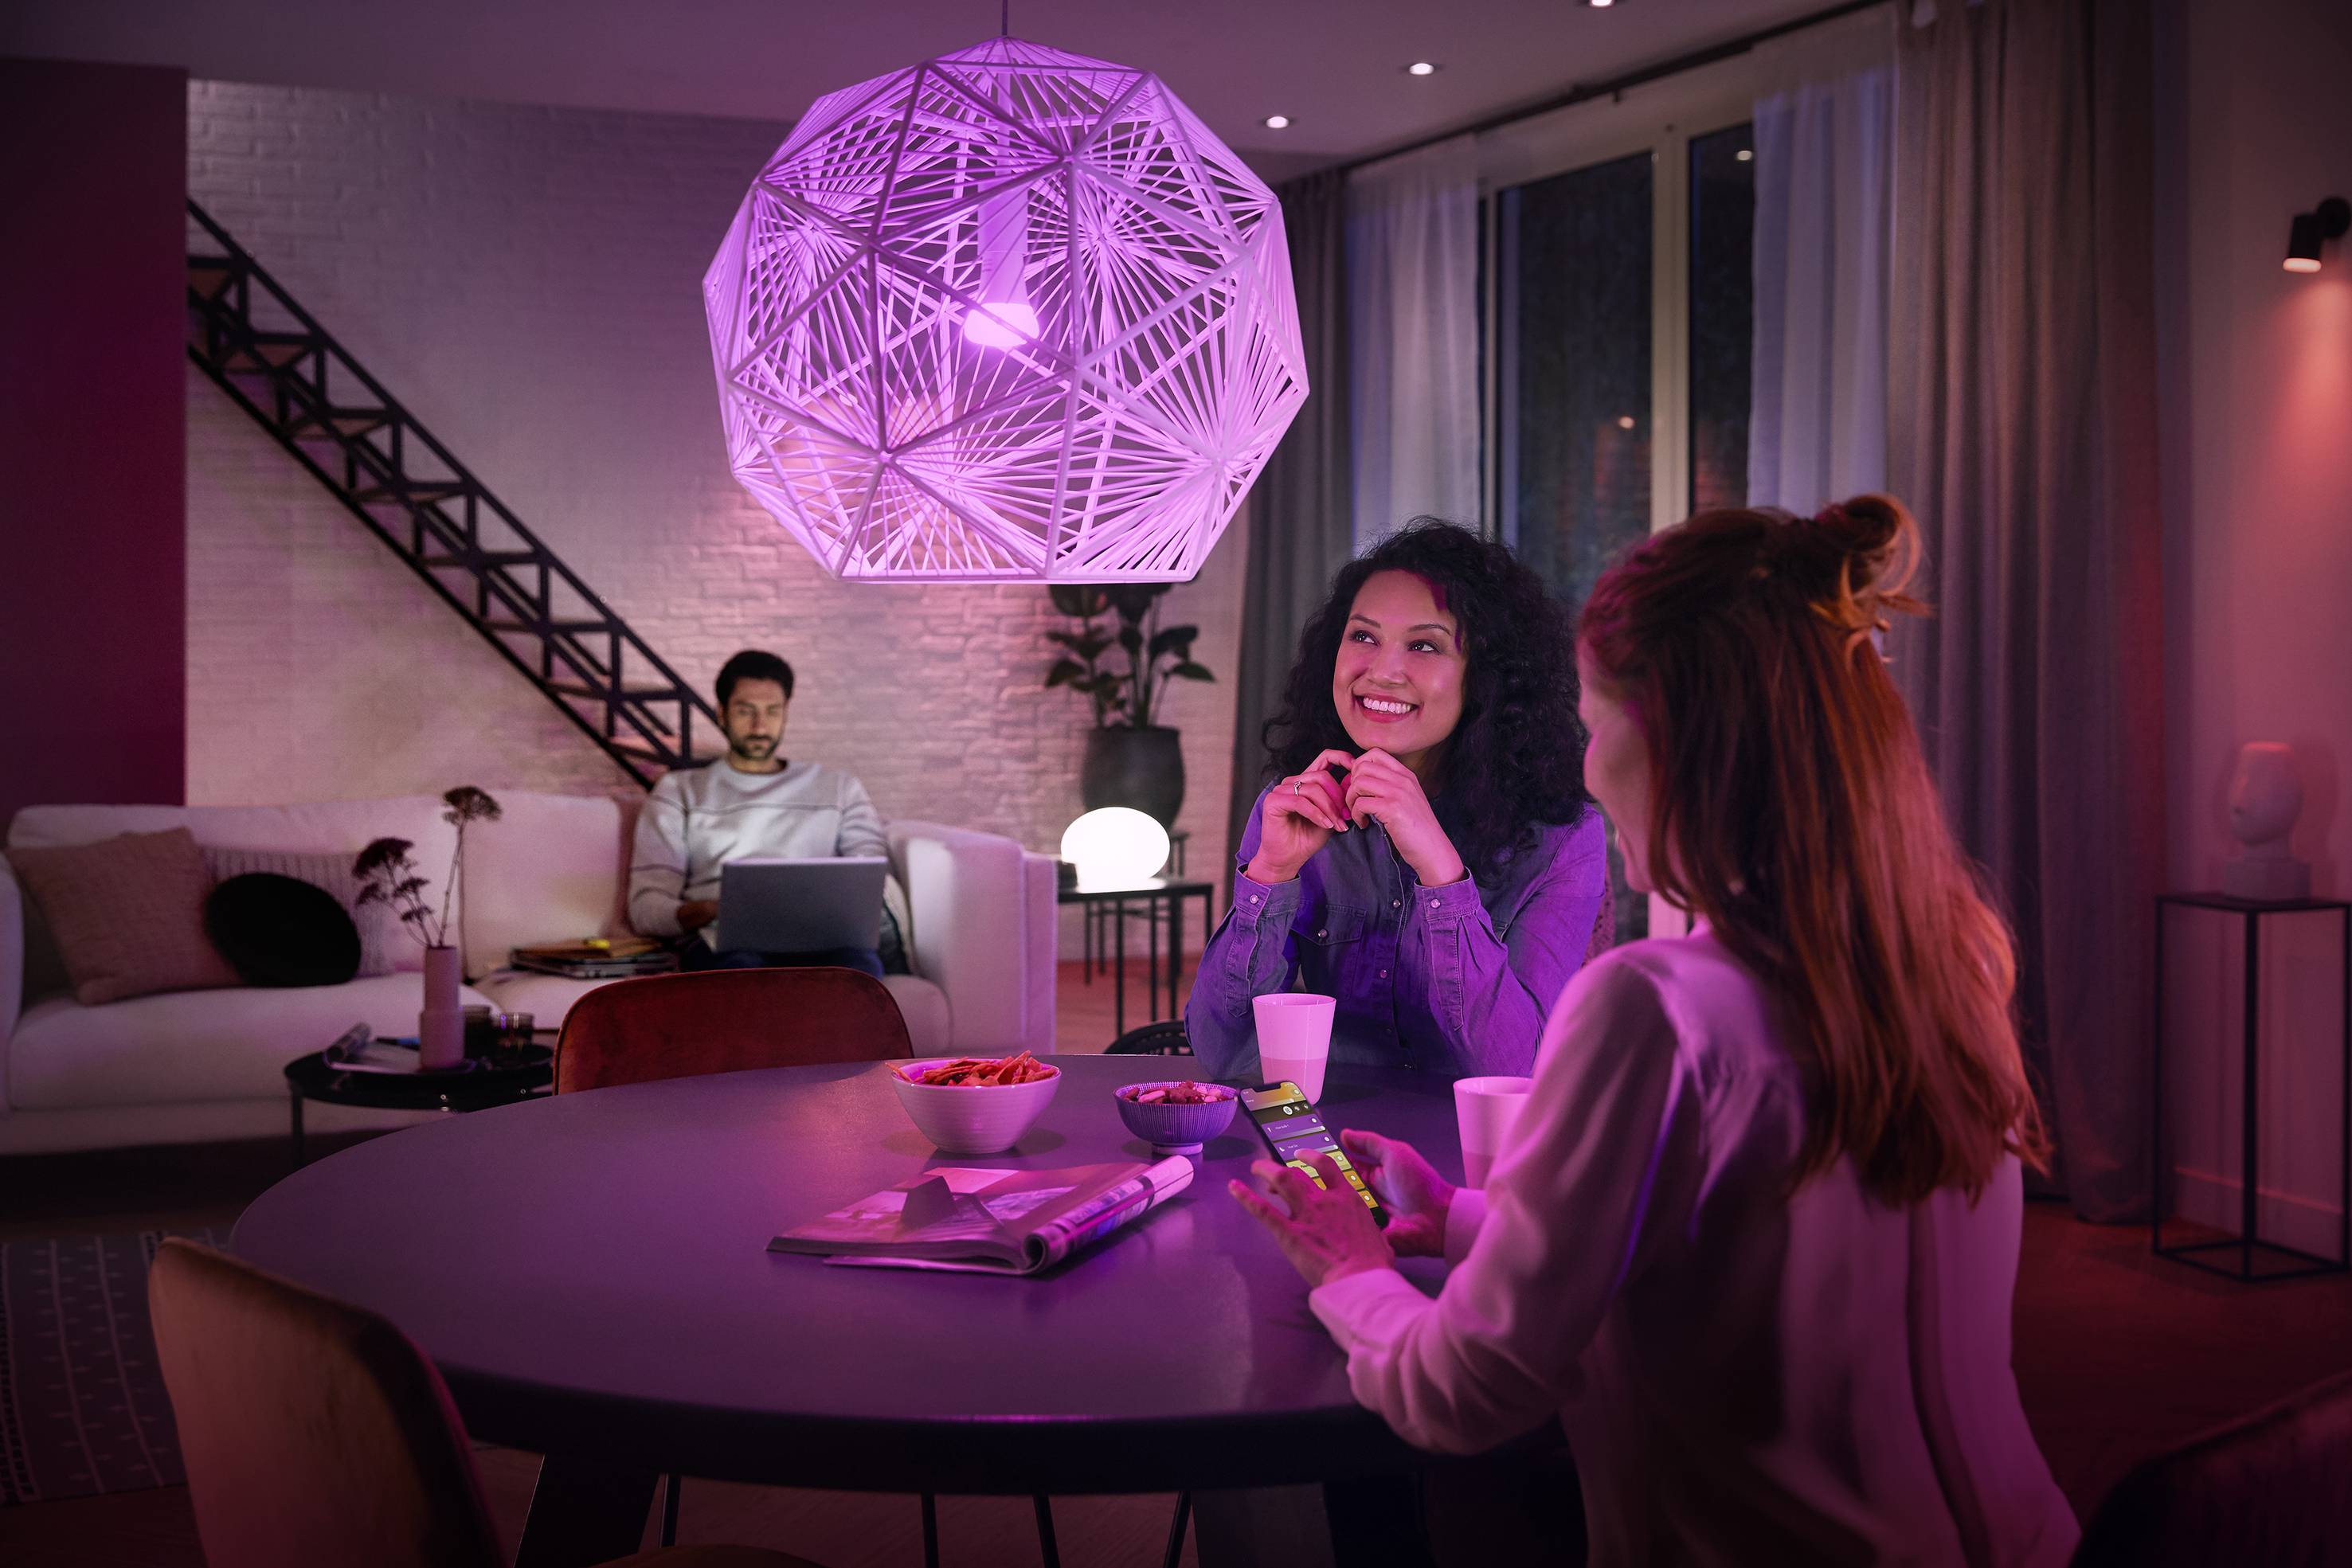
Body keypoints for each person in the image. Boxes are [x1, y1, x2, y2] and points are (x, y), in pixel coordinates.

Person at [1233, 497, 2081, 1566]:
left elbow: (1464, 1394)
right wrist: (1458, 1217)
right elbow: (1742, 1245)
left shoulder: (1653, 1005)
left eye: (1597, 724)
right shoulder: (1954, 963)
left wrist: (1350, 1270)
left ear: (1673, 739)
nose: (1585, 764)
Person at [1185, 521, 1608, 1081]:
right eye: (1362, 636)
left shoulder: (1562, 837)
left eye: (1424, 645)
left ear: (1485, 676)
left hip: (1480, 1150)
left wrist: (1441, 874)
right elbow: (1224, 1051)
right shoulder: (1296, 806)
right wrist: (1270, 872)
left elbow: (1512, 1070)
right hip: (1332, 1137)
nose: (1380, 672)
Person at [628, 649, 890, 979]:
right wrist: (703, 911)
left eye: (772, 711)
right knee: (742, 970)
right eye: (745, 711)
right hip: (723, 943)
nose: (759, 726)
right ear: (721, 714)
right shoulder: (679, 791)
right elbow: (645, 906)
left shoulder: (840, 789)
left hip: (821, 939)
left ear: (786, 714)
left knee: (860, 970)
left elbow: (870, 879)